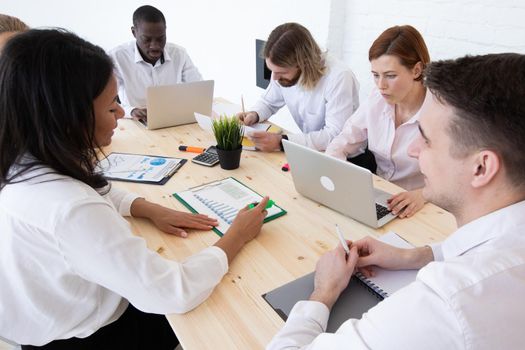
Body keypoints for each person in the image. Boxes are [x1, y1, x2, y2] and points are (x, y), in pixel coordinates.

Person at [0, 29, 269, 349]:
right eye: (112, 104)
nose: (122, 113)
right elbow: (174, 292)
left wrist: (149, 207)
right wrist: (237, 235)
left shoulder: (23, 161)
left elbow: (94, 188)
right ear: (69, 116)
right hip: (91, 334)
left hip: (46, 315)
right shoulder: (70, 209)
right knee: (232, 313)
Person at [267, 52, 525, 349]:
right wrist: (411, 257)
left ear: (481, 168)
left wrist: (323, 292)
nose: (414, 150)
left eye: (426, 139)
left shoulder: (445, 304)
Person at [325, 25, 430, 218]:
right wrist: (340, 174)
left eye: (390, 76)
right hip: (380, 197)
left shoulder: (441, 112)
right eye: (375, 75)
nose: (381, 85)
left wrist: (423, 195)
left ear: (416, 70)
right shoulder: (377, 99)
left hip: (421, 207)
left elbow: (460, 178)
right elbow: (342, 141)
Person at [237, 22, 359, 152]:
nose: (274, 78)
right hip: (312, 151)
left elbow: (334, 135)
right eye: (272, 70)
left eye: (281, 72)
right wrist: (254, 114)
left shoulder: (339, 77)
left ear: (303, 64)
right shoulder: (281, 74)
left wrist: (281, 142)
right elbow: (268, 102)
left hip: (347, 157)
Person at [109, 5, 202, 122]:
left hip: (173, 118)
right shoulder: (117, 57)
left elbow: (199, 91)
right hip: (134, 122)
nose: (155, 46)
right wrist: (132, 111)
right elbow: (106, 104)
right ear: (134, 32)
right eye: (147, 39)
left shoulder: (179, 54)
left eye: (160, 38)